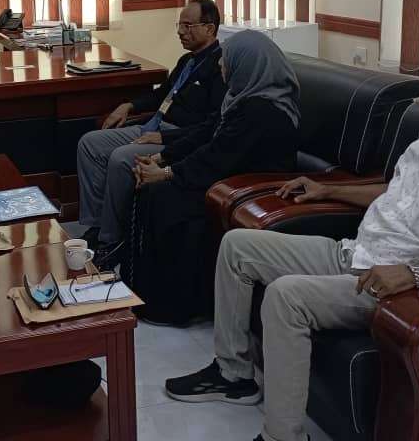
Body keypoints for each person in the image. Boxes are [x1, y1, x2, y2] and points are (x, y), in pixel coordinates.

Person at [164, 58, 419, 441]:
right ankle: (234, 375)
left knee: (286, 296)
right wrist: (329, 189)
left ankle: (283, 436)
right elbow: (395, 193)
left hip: (392, 288)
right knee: (238, 246)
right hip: (354, 252)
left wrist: (414, 273)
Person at [129, 30, 301, 325]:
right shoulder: (240, 97)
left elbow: (218, 155)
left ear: (246, 64)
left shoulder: (263, 109)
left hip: (250, 184)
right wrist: (162, 158)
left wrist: (166, 174)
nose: (221, 66)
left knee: (166, 198)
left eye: (226, 61)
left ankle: (177, 306)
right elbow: (207, 134)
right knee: (152, 192)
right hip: (226, 173)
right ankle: (146, 292)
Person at [76, 0, 227, 256]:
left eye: (188, 26)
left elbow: (210, 126)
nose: (180, 32)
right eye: (179, 25)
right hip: (152, 126)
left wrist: (165, 137)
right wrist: (129, 105)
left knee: (121, 158)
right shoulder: (187, 60)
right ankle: (97, 224)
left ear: (209, 28)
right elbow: (162, 95)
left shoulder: (220, 67)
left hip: (176, 138)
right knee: (89, 143)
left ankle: (110, 241)